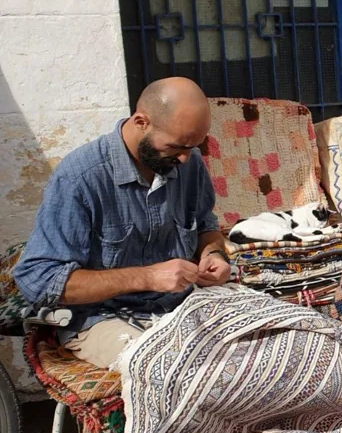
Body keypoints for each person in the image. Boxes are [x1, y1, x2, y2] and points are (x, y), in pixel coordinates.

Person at [13, 77, 231, 369]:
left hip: (181, 306)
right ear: (141, 121)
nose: (184, 158)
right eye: (176, 146)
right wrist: (147, 277)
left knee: (274, 340)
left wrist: (213, 253)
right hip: (102, 319)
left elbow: (205, 223)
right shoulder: (80, 178)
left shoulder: (187, 163)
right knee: (172, 369)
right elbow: (39, 281)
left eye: (194, 147)